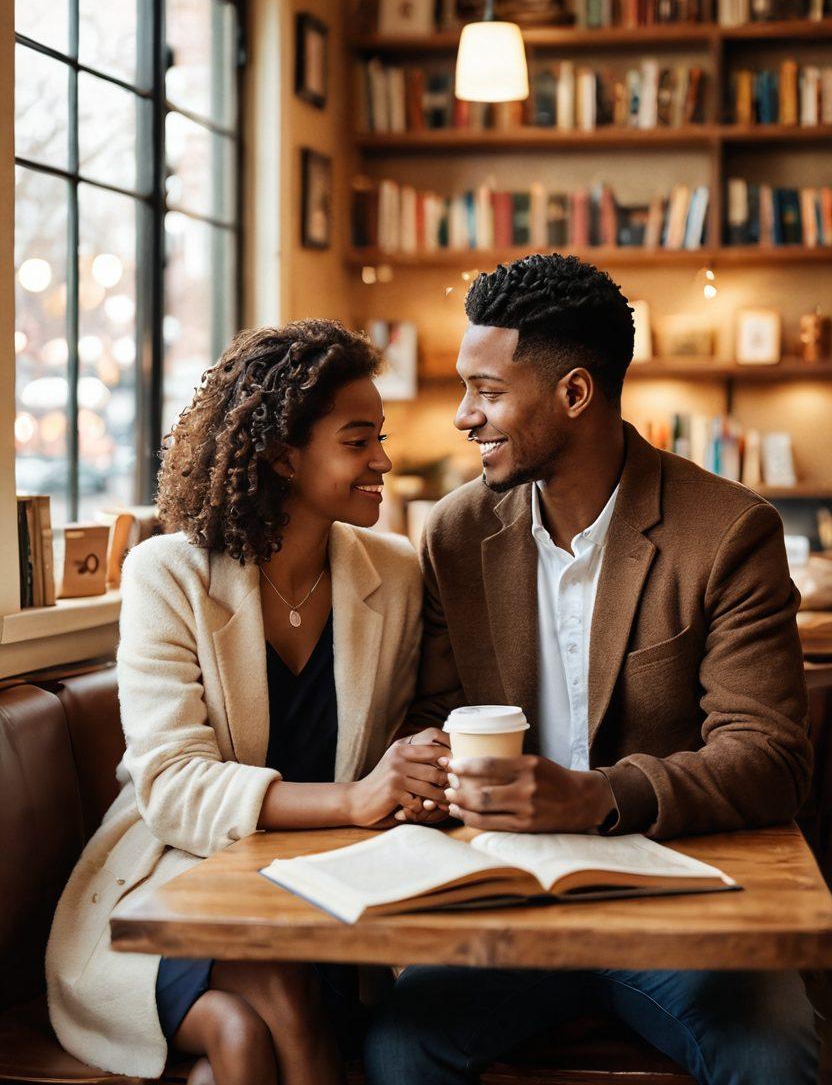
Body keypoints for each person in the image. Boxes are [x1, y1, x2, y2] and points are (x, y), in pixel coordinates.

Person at [365, 253, 819, 1084]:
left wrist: (598, 797)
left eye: (488, 391)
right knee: (396, 1046)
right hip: (503, 899)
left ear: (575, 393)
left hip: (678, 900)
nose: (464, 416)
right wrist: (422, 763)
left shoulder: (726, 532)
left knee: (772, 1054)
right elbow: (434, 712)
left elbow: (769, 757)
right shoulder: (455, 536)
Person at [46, 320, 448, 1085]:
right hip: (173, 885)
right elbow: (172, 786)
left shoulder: (393, 574)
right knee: (248, 1022)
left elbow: (414, 727)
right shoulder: (170, 572)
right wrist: (356, 799)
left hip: (321, 895)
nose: (384, 461)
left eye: (380, 438)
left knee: (242, 1035)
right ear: (279, 454)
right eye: (358, 441)